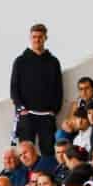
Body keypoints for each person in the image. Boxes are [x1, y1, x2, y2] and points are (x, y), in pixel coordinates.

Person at [10, 23, 64, 162]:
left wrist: (54, 110)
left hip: (47, 115)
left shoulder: (53, 62)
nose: (37, 40)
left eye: (40, 37)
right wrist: (21, 109)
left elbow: (58, 88)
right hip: (27, 115)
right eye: (34, 37)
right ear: (30, 38)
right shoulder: (20, 61)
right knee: (25, 152)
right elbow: (14, 88)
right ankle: (29, 181)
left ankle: (49, 181)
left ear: (45, 38)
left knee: (48, 150)